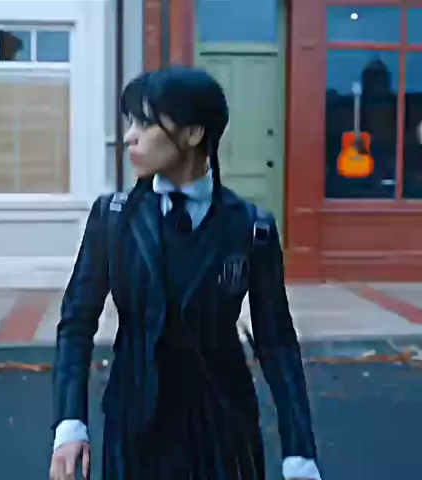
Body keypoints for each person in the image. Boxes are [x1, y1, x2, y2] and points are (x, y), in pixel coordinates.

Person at [49, 66, 322, 480]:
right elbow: (76, 322)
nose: (130, 137)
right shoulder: (114, 218)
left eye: (145, 123)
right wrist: (70, 425)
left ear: (193, 134)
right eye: (130, 123)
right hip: (134, 427)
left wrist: (299, 453)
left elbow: (277, 341)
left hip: (223, 431)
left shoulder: (251, 227)